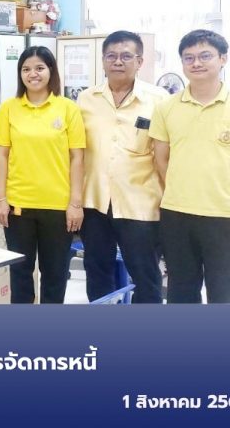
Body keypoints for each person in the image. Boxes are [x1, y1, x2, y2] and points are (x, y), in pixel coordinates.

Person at [78, 31, 167, 303]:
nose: (118, 62)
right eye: (112, 56)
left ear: (140, 61)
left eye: (126, 56)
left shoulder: (159, 100)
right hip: (94, 203)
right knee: (97, 272)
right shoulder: (86, 99)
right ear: (103, 60)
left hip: (140, 203)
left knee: (145, 276)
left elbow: (167, 155)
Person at [0, 46, 86, 304]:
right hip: (18, 205)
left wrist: (75, 203)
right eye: (26, 69)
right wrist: (0, 199)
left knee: (55, 275)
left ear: (51, 71)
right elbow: (1, 156)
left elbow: (77, 158)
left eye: (39, 68)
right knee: (20, 275)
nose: (32, 74)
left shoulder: (68, 108)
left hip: (58, 207)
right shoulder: (9, 108)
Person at [151, 29, 230, 303]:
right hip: (177, 213)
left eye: (205, 56)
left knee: (223, 290)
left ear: (223, 59)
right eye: (189, 58)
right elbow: (161, 159)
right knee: (181, 290)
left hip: (224, 213)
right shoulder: (166, 108)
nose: (196, 63)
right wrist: (179, 189)